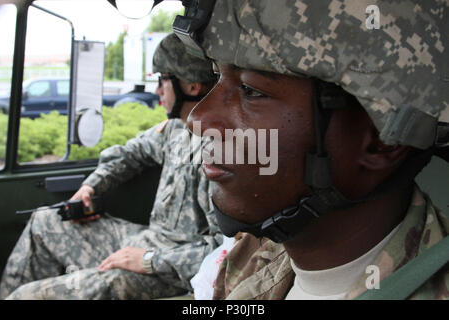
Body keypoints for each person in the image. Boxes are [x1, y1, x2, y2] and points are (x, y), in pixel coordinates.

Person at [171, 0, 448, 299]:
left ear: (382, 141)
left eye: (252, 91)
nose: (199, 119)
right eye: (217, 76)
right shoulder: (254, 255)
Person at [0, 33, 221, 300]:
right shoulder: (177, 128)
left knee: (27, 297)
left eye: (163, 80)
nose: (157, 91)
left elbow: (226, 253)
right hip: (149, 243)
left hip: (174, 270)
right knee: (45, 221)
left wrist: (152, 260)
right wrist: (91, 186)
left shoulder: (223, 151)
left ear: (192, 86)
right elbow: (130, 154)